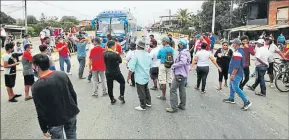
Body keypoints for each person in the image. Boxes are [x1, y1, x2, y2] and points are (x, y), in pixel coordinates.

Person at [31, 54, 80, 139]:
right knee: (72, 135)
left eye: (32, 64)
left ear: (37, 67)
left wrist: (44, 128)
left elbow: (40, 109)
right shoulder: (61, 74)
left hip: (54, 120)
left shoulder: (36, 86)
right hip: (70, 113)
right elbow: (72, 93)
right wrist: (74, 108)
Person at [223, 39, 252, 111]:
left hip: (236, 73)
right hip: (236, 72)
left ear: (236, 44)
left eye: (233, 43)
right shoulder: (238, 51)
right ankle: (231, 98)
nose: (232, 44)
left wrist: (233, 74)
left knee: (235, 87)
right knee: (231, 85)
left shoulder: (238, 52)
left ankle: (246, 101)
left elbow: (236, 65)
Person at [166, 39, 191, 113]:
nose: (178, 45)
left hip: (179, 74)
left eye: (179, 44)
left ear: (182, 45)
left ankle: (174, 107)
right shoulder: (187, 52)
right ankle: (182, 105)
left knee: (173, 90)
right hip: (183, 74)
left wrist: (174, 65)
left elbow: (183, 62)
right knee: (182, 89)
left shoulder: (183, 53)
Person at [127, 40, 152, 111]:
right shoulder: (148, 54)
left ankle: (142, 106)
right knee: (146, 89)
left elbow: (131, 68)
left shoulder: (136, 55)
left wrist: (128, 77)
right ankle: (148, 102)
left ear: (137, 46)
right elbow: (150, 64)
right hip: (146, 75)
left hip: (140, 76)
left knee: (141, 91)